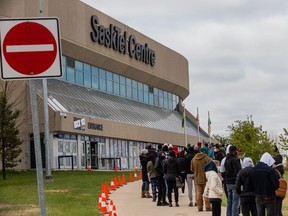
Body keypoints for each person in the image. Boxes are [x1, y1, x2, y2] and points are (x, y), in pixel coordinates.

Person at [192, 147, 212, 211]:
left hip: (197, 177)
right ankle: (208, 206)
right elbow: (211, 167)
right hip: (206, 177)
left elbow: (192, 169)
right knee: (207, 192)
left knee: (199, 192)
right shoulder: (207, 158)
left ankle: (199, 207)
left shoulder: (193, 159)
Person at [224, 145, 241, 216]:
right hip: (234, 183)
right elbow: (238, 172)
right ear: (234, 152)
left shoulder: (226, 160)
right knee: (235, 202)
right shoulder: (234, 160)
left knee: (229, 202)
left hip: (228, 182)